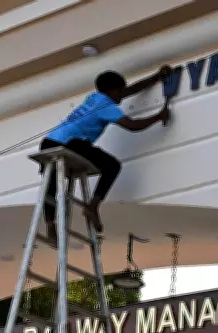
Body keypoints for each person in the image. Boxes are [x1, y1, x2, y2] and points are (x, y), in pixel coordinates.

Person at [39, 66, 173, 239]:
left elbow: (130, 90)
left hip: (48, 142)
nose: (122, 96)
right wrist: (158, 116)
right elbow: (132, 126)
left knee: (52, 184)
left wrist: (156, 77)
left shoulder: (94, 98)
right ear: (114, 90)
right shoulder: (107, 106)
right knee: (112, 166)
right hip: (71, 143)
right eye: (121, 91)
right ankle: (93, 205)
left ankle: (50, 223)